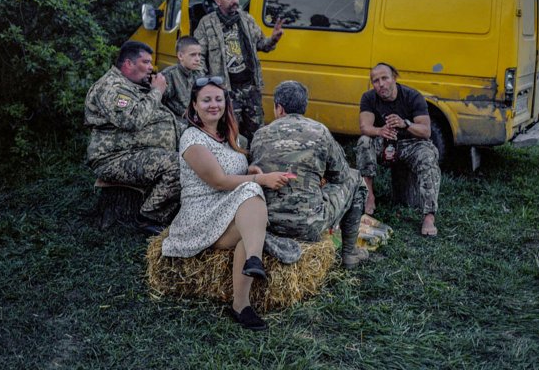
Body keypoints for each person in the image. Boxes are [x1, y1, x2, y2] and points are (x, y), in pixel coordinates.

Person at [161, 76, 291, 331]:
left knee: (249, 230)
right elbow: (219, 182)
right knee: (254, 188)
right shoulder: (192, 138)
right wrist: (259, 177)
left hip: (230, 211)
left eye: (218, 99)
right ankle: (255, 259)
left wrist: (250, 168)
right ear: (194, 106)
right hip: (202, 218)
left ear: (225, 104)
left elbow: (236, 173)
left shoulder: (230, 136)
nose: (214, 105)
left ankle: (241, 305)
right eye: (206, 100)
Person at [250, 81, 370, 268]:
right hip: (309, 225)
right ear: (304, 106)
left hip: (267, 224)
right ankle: (349, 253)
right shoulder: (320, 132)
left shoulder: (259, 134)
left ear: (279, 108)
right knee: (356, 179)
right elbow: (341, 175)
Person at [84, 41, 180, 228]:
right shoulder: (111, 87)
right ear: (128, 64)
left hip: (136, 151)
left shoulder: (130, 84)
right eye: (146, 62)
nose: (151, 68)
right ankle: (149, 216)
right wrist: (157, 92)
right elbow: (132, 120)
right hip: (114, 158)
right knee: (179, 166)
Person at [356, 63, 441, 237]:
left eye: (385, 78)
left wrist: (405, 123)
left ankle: (429, 215)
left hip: (411, 143)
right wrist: (379, 131)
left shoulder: (412, 96)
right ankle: (369, 196)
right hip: (385, 141)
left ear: (394, 78)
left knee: (427, 155)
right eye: (376, 81)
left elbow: (426, 131)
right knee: (364, 142)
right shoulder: (369, 98)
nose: (381, 84)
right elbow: (365, 127)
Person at [193, 0, 284, 144]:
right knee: (230, 134)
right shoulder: (206, 24)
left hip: (250, 88)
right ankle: (235, 166)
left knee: (257, 134)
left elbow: (262, 45)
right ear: (218, 1)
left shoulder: (246, 19)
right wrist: (206, 85)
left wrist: (274, 39)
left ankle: (256, 166)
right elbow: (198, 57)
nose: (235, 0)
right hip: (226, 90)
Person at [161, 36, 205, 129]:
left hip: (197, 121)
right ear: (180, 56)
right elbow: (158, 106)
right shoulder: (169, 76)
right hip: (178, 125)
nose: (198, 59)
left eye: (199, 54)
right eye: (193, 55)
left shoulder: (198, 73)